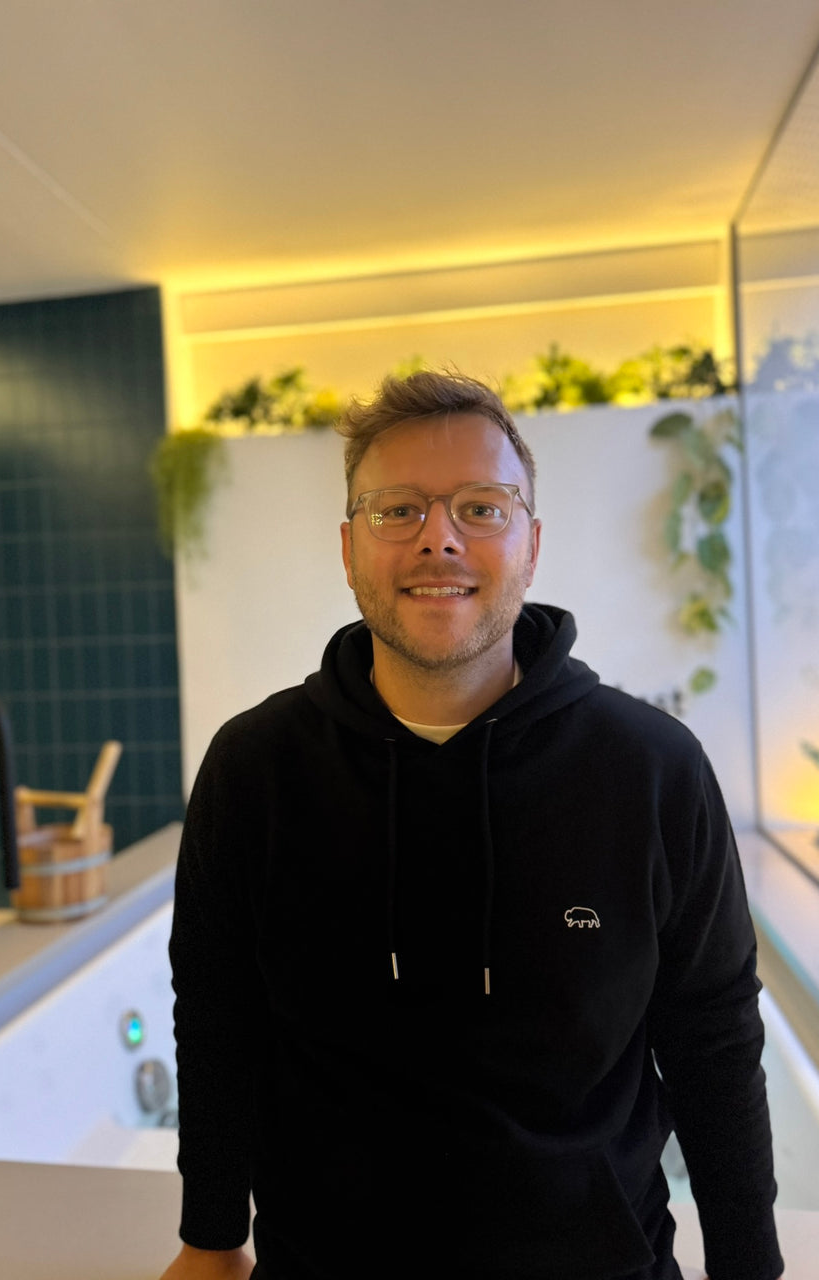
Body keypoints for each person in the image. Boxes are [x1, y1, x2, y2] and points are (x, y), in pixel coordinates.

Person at [160, 372, 785, 1280]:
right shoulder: (255, 769)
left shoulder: (652, 769)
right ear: (349, 549)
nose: (438, 537)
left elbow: (713, 1036)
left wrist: (749, 1268)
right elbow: (218, 1016)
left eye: (481, 508)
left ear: (531, 545)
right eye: (398, 510)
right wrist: (211, 1240)